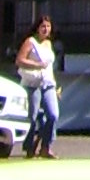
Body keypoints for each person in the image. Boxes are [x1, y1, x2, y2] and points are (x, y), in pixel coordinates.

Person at [16, 14, 59, 158]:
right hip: (33, 84)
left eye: (48, 26)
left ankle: (45, 146)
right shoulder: (31, 42)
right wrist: (37, 65)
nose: (46, 29)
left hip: (48, 84)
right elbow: (20, 60)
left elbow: (49, 67)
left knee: (53, 115)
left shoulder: (48, 43)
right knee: (32, 117)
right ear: (37, 28)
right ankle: (29, 147)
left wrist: (55, 86)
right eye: (43, 26)